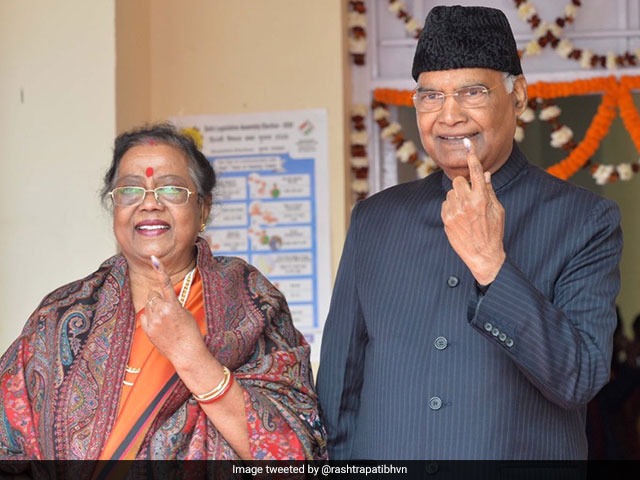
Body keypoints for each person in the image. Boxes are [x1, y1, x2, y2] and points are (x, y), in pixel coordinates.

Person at [317, 5, 623, 460]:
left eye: (471, 92)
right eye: (430, 97)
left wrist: (491, 265)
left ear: (517, 95)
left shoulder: (584, 220)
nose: (449, 115)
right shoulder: (375, 221)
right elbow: (339, 392)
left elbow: (578, 377)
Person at [0, 123, 327, 463]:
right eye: (130, 191)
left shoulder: (251, 303)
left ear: (203, 209)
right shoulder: (61, 315)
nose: (149, 203)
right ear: (114, 209)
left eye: (171, 189)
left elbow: (293, 454)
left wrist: (191, 356)